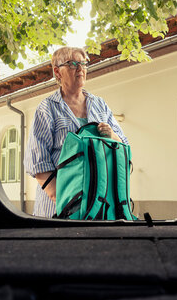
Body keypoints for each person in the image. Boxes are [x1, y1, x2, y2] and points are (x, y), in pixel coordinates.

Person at [24, 46, 128, 218]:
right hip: (58, 209)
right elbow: (38, 163)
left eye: (83, 63)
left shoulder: (100, 105)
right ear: (57, 72)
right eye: (72, 64)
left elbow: (123, 149)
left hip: (101, 206)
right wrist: (68, 204)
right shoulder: (47, 108)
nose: (80, 69)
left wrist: (112, 136)